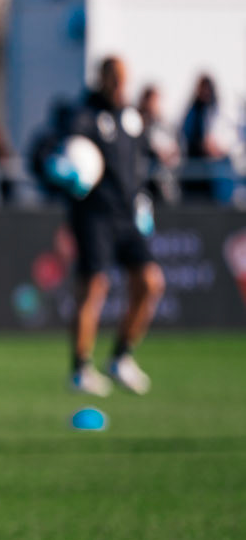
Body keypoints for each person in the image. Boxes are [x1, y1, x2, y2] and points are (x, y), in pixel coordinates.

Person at [62, 56, 164, 397]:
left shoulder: (131, 119)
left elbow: (141, 162)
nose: (122, 86)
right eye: (116, 79)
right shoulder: (85, 115)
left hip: (127, 215)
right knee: (94, 287)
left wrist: (145, 197)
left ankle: (121, 357)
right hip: (94, 215)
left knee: (150, 282)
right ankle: (80, 368)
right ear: (104, 80)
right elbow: (62, 150)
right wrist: (63, 171)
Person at [181, 74, 232, 203]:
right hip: (195, 167)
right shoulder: (193, 111)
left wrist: (217, 147)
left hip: (215, 174)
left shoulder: (219, 109)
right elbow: (186, 135)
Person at [138, 84, 179, 204]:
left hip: (163, 183)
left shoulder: (165, 126)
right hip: (143, 184)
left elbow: (176, 152)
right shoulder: (136, 124)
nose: (154, 105)